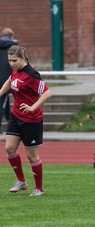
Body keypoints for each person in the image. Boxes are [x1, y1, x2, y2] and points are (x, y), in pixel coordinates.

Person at [0, 45, 52, 197]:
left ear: (22, 58)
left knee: (32, 156)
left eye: (14, 60)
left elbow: (47, 93)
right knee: (9, 149)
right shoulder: (15, 71)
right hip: (16, 116)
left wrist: (32, 107)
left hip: (31, 120)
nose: (11, 63)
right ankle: (21, 181)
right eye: (9, 60)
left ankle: (39, 189)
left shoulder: (32, 75)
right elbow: (10, 81)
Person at [0, 28, 18, 133]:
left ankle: (8, 118)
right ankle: (8, 122)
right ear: (11, 35)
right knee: (3, 101)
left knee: (4, 100)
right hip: (7, 78)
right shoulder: (14, 47)